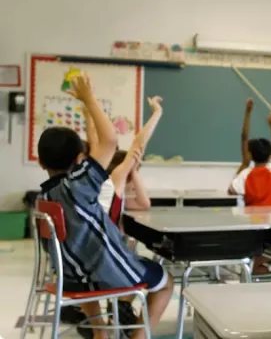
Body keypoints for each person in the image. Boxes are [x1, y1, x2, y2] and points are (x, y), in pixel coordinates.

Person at [37, 72, 173, 339]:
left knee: (88, 262)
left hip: (71, 277)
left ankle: (101, 333)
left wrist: (87, 107)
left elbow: (101, 142)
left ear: (41, 163)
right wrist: (89, 99)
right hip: (107, 272)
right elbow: (112, 141)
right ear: (80, 159)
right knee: (165, 283)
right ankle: (139, 336)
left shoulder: (45, 198)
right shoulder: (84, 185)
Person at [228, 98, 271, 206]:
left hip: (252, 220)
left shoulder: (245, 174)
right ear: (269, 156)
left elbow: (231, 191)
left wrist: (247, 113)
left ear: (250, 154)